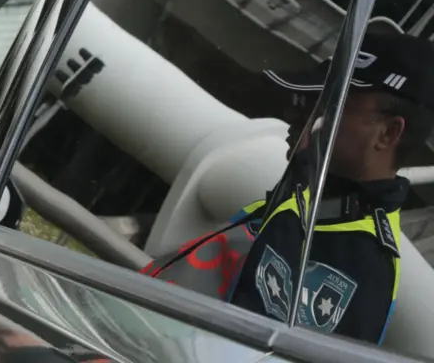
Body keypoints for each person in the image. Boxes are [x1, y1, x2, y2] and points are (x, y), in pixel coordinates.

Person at [144, 19, 434, 344]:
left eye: (330, 106)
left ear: (389, 133)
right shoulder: (313, 210)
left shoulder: (354, 260)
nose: (299, 115)